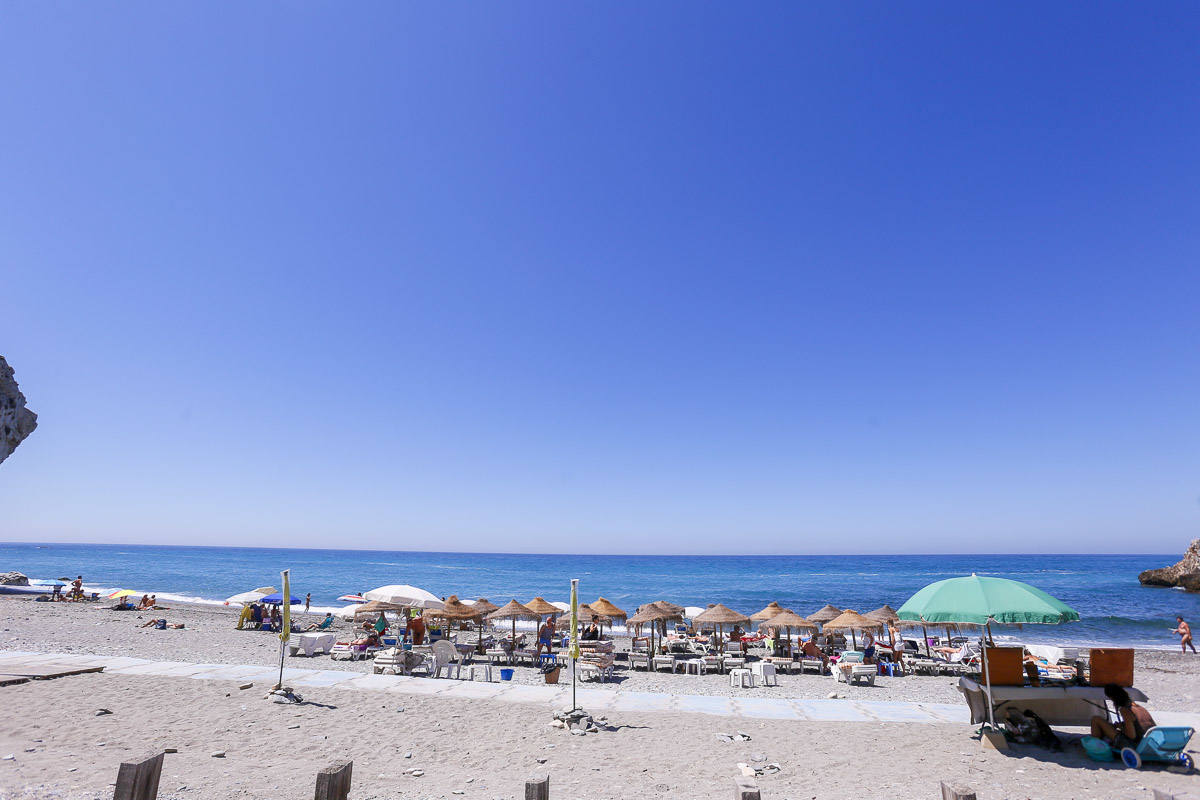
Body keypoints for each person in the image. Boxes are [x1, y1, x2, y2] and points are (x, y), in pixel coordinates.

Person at [1091, 685, 1156, 748]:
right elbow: (1138, 725)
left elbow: (1131, 736)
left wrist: (1121, 727)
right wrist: (1122, 725)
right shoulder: (1139, 708)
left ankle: (1095, 747)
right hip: (1148, 743)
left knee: (1096, 719)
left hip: (1135, 745)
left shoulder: (1125, 710)